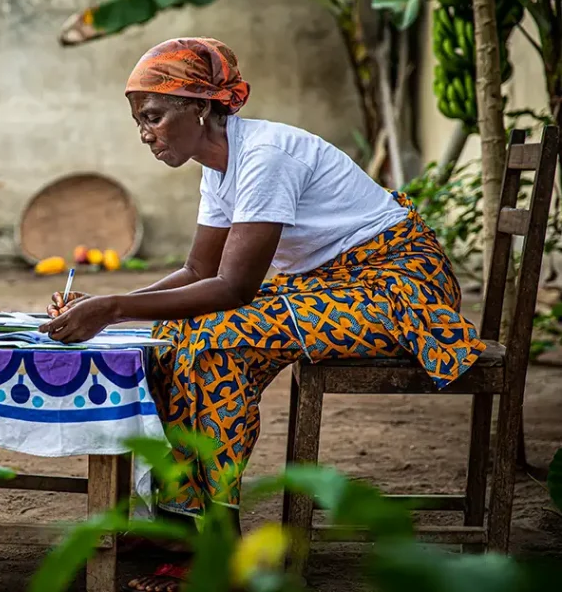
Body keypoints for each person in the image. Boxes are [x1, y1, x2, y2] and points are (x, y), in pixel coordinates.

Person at [38, 37, 486, 591]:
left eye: (153, 116)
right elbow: (199, 270)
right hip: (336, 285)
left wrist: (114, 307)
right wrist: (104, 307)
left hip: (397, 287)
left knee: (220, 341)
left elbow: (233, 288)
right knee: (175, 334)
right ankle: (179, 522)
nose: (144, 132)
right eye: (138, 120)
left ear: (200, 106)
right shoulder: (218, 165)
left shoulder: (265, 157)